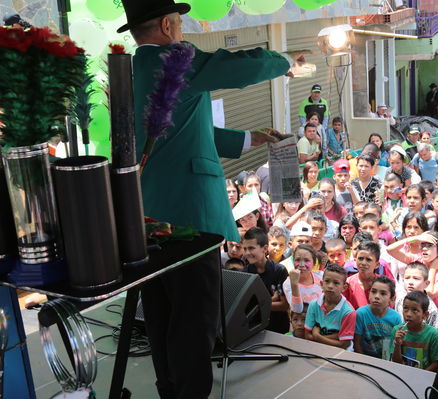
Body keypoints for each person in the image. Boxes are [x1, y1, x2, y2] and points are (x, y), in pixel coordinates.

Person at [124, 1, 307, 395]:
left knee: (161, 311)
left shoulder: (134, 67)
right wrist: (284, 60)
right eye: (181, 23)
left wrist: (248, 138)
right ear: (167, 26)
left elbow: (180, 131)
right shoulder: (175, 61)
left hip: (148, 212)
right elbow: (236, 65)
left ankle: (170, 389)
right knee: (194, 317)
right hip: (189, 213)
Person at [242, 228, 289, 333]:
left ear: (265, 248)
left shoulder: (279, 270)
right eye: (245, 249)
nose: (247, 253)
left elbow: (284, 305)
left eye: (251, 248)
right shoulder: (245, 273)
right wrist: (271, 300)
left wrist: (257, 306)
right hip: (255, 327)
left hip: (278, 327)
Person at [305, 264, 356, 348]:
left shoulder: (348, 312)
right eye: (327, 281)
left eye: (336, 283)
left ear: (344, 287)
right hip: (315, 349)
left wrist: (318, 336)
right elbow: (307, 336)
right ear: (321, 284)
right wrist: (335, 337)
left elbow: (343, 344)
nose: (330, 286)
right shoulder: (314, 305)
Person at [389, 291, 438, 370]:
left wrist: (420, 376)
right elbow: (396, 362)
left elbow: (436, 363)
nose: (408, 314)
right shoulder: (397, 331)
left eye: (415, 310)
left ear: (425, 315)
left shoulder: (432, 334)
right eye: (405, 308)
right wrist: (397, 344)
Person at [354, 276, 403, 358]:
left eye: (383, 293)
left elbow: (396, 346)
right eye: (373, 292)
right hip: (364, 359)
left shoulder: (396, 318)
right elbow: (357, 344)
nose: (376, 296)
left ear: (392, 299)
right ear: (369, 294)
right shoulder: (360, 313)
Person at [396, 262, 438, 329]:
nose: (410, 282)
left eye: (416, 278)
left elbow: (433, 334)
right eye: (407, 278)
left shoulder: (431, 309)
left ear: (426, 283)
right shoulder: (399, 300)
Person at [283, 244, 323, 314]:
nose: (301, 264)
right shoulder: (288, 283)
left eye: (306, 260)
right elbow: (297, 309)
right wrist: (294, 284)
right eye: (298, 260)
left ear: (314, 263)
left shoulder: (320, 276)